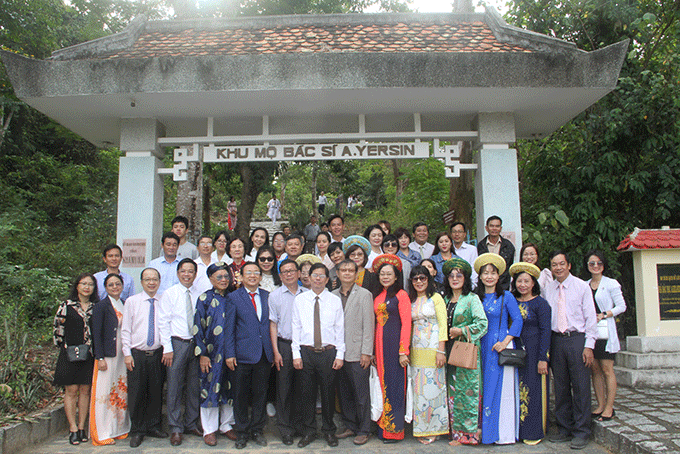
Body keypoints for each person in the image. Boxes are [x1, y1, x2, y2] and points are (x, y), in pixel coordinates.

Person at [541, 251, 597, 450]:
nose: (558, 268)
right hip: (556, 340)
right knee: (561, 386)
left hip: (577, 339)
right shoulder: (548, 289)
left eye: (561, 264)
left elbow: (590, 318)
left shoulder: (582, 286)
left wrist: (589, 346)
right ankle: (564, 429)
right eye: (554, 265)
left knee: (581, 386)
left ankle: (582, 431)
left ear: (569, 265)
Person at [291, 263, 345, 448]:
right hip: (306, 353)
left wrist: (340, 354)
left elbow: (340, 328)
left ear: (327, 279)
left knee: (329, 393)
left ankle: (329, 431)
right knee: (307, 394)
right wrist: (295, 354)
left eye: (322, 275)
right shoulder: (300, 300)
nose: (318, 278)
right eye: (315, 275)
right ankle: (309, 431)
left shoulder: (334, 300)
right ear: (309, 277)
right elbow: (295, 327)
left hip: (328, 353)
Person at [474, 252, 523, 445]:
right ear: (479, 276)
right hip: (480, 344)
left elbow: (518, 319)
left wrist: (505, 341)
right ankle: (479, 432)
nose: (489, 276)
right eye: (485, 273)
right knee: (480, 387)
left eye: (492, 273)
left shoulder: (506, 296)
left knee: (497, 388)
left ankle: (499, 433)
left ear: (498, 276)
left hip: (498, 345)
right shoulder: (475, 296)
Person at [225, 262, 274, 449]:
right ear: (241, 277)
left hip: (263, 354)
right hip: (241, 355)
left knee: (261, 394)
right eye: (249, 273)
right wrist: (229, 353)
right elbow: (229, 328)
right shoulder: (234, 297)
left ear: (261, 277)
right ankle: (242, 431)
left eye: (256, 273)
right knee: (240, 395)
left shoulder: (267, 296)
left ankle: (257, 430)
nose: (253, 276)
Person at [442, 258, 488, 446]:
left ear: (465, 278)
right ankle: (456, 433)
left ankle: (469, 434)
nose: (455, 279)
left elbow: (482, 323)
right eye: (451, 276)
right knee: (453, 392)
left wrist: (462, 330)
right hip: (449, 350)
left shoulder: (472, 298)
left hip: (467, 349)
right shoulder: (444, 299)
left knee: (468, 391)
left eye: (459, 275)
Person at [121, 268, 168, 448]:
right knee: (137, 392)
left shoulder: (164, 300)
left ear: (159, 281)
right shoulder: (132, 302)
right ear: (141, 282)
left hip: (157, 353)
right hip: (137, 354)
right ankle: (138, 430)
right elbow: (126, 329)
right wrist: (127, 354)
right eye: (147, 279)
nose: (151, 282)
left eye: (154, 279)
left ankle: (154, 426)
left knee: (155, 391)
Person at [158, 258, 202, 446]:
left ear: (195, 274)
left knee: (194, 386)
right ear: (178, 273)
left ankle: (191, 423)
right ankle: (175, 427)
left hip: (195, 344)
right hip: (177, 344)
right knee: (175, 387)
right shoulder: (169, 293)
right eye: (183, 271)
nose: (187, 274)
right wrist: (167, 348)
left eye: (191, 271)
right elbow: (163, 322)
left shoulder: (199, 294)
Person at [194, 262, 237, 445]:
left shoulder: (234, 297)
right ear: (211, 278)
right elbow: (198, 327)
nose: (223, 280)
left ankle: (227, 425)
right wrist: (202, 353)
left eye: (226, 276)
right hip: (211, 354)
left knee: (230, 388)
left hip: (232, 352)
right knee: (209, 389)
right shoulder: (204, 298)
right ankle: (209, 429)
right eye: (219, 277)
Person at [333, 259, 375, 446]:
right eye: (344, 270)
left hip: (358, 352)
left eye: (351, 270)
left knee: (361, 393)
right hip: (337, 353)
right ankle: (350, 425)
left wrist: (367, 352)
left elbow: (369, 325)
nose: (347, 273)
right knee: (344, 393)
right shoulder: (332, 295)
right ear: (338, 273)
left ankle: (364, 429)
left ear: (357, 274)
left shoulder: (364, 294)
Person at [509, 262, 552, 444]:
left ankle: (534, 431)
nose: (523, 285)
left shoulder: (541, 304)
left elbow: (546, 331)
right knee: (515, 390)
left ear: (533, 283)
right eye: (519, 281)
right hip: (514, 352)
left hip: (535, 353)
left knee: (534, 391)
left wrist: (543, 358)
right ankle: (516, 430)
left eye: (527, 281)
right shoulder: (511, 300)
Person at [53, 273, 97, 445]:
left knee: (85, 391)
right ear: (77, 286)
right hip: (70, 354)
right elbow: (58, 329)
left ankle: (81, 427)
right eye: (83, 283)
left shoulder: (96, 307)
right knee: (71, 391)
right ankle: (72, 428)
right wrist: (64, 348)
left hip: (89, 355)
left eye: (90, 284)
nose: (87, 287)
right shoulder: (66, 306)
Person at [372, 254, 411, 443]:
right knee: (382, 386)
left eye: (389, 274)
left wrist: (404, 350)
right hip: (380, 349)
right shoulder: (378, 296)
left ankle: (395, 431)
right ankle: (382, 427)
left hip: (395, 347)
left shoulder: (401, 295)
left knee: (395, 387)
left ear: (396, 277)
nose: (385, 277)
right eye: (382, 274)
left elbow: (407, 324)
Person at [583, 250, 626, 423]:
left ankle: (609, 407)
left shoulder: (611, 284)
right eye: (591, 263)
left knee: (607, 369)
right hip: (590, 333)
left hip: (605, 332)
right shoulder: (584, 285)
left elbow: (621, 306)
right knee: (595, 370)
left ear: (603, 265)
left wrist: (605, 314)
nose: (595, 266)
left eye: (598, 263)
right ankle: (600, 405)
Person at [408, 265, 449, 444]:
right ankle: (421, 427)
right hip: (416, 350)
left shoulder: (436, 298)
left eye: (422, 278)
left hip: (434, 349)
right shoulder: (411, 300)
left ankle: (435, 427)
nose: (419, 282)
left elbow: (443, 324)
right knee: (419, 391)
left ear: (428, 280)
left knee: (434, 389)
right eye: (415, 279)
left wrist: (441, 350)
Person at [90, 274, 130, 445]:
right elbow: (96, 333)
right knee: (104, 393)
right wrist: (99, 357)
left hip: (122, 355)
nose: (115, 287)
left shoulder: (124, 303)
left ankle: (118, 428)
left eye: (118, 284)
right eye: (111, 284)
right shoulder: (101, 306)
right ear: (105, 287)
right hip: (107, 355)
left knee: (119, 391)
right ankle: (102, 431)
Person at [269, 259, 305, 445]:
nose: (289, 274)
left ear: (299, 273)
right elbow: (273, 325)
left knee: (302, 388)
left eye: (292, 270)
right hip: (284, 345)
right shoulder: (274, 296)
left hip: (304, 347)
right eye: (284, 272)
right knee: (283, 388)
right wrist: (276, 352)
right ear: (280, 276)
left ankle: (300, 426)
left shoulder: (307, 294)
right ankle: (285, 429)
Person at [477, 216, 515, 291]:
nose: (494, 228)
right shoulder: (481, 246)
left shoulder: (508, 246)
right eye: (491, 226)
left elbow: (509, 266)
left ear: (500, 228)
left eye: (497, 226)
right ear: (486, 228)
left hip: (503, 287)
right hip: (485, 287)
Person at [450, 222, 478, 287]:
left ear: (464, 234)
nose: (457, 234)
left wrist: (472, 286)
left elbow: (474, 269)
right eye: (454, 232)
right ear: (451, 234)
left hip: (467, 286)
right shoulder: (448, 249)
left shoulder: (472, 249)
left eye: (460, 232)